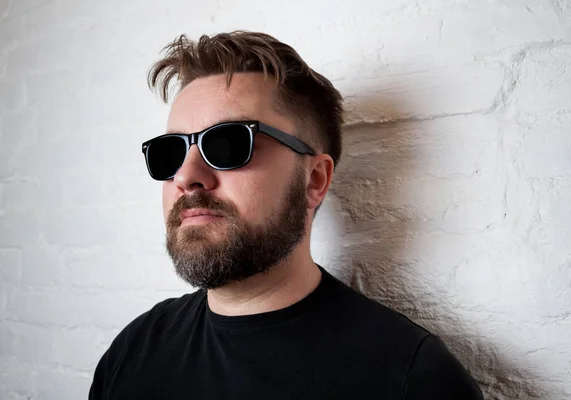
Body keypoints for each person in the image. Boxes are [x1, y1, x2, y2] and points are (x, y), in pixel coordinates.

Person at [89, 31, 483, 399]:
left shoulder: (411, 378)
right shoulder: (135, 348)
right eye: (170, 153)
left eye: (227, 145)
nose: (187, 177)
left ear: (314, 179)